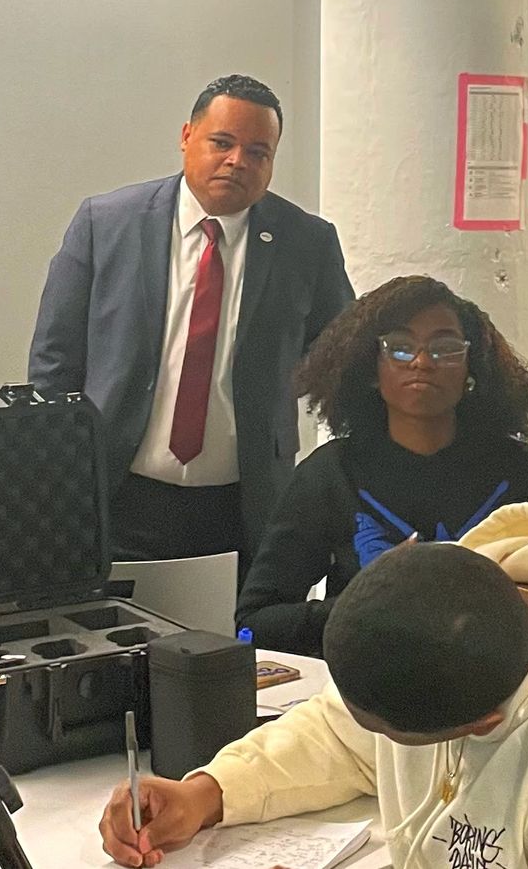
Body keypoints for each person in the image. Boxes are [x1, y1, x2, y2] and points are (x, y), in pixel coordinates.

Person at [97, 505, 528, 869]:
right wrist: (207, 794)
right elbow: (339, 731)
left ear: (483, 724)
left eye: (390, 736)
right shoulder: (453, 621)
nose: (367, 737)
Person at [29, 74, 355, 567]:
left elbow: (340, 359)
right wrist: (62, 475)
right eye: (222, 143)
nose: (237, 161)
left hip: (242, 507)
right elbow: (54, 362)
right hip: (116, 495)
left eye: (258, 152)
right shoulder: (106, 223)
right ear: (186, 137)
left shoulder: (306, 243)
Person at [236, 274, 528, 654]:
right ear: (371, 368)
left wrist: (526, 606)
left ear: (471, 370)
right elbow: (254, 624)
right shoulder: (331, 474)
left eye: (445, 348)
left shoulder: (526, 474)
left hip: (509, 681)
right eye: (400, 348)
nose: (422, 362)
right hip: (368, 682)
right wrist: (370, 603)